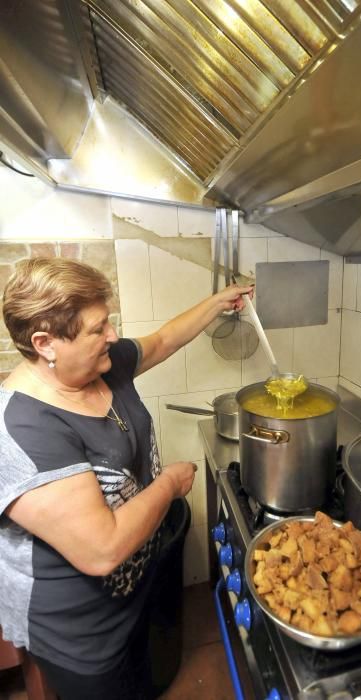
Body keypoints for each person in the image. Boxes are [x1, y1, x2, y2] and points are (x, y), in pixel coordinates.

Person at [0, 256, 253, 700]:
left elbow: (162, 340)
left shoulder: (102, 365)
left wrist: (219, 301)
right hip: (82, 631)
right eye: (99, 329)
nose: (113, 337)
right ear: (45, 343)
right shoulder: (23, 430)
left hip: (135, 589)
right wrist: (171, 484)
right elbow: (102, 549)